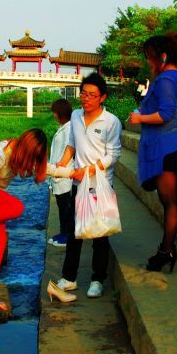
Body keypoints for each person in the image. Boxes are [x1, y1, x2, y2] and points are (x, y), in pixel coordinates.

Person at [0, 129, 73, 313]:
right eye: (32, 158)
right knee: (15, 206)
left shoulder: (23, 155)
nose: (32, 164)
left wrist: (75, 173)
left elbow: (48, 169)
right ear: (25, 149)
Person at [51, 72, 122, 301]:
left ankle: (97, 279)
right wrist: (62, 163)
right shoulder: (75, 115)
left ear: (102, 97)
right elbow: (72, 144)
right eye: (83, 94)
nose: (86, 99)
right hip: (77, 183)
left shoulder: (111, 121)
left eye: (92, 95)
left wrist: (89, 170)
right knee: (74, 231)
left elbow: (113, 154)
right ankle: (69, 278)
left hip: (100, 184)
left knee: (100, 233)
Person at [129, 33, 177, 273]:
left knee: (169, 202)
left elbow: (165, 114)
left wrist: (139, 117)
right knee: (168, 201)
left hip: (167, 146)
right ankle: (167, 249)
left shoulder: (166, 79)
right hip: (174, 143)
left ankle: (166, 251)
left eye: (150, 58)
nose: (149, 63)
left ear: (162, 57)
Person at [46, 98, 74, 248]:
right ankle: (63, 232)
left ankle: (67, 235)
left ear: (59, 114)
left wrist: (56, 169)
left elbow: (67, 152)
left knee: (66, 208)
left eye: (55, 113)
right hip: (57, 174)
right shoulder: (64, 127)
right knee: (61, 206)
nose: (54, 116)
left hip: (63, 175)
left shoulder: (69, 129)